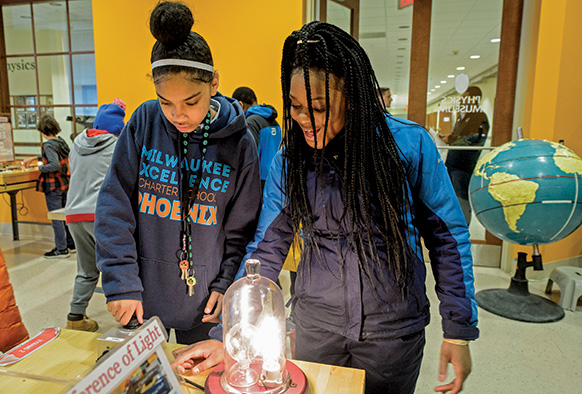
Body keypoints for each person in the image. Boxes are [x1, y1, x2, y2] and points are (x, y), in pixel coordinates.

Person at [173, 22, 478, 394]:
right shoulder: (290, 161)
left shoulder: (408, 146)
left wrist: (458, 332)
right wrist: (226, 336)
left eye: (317, 108)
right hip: (317, 328)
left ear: (353, 97)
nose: (303, 120)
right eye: (296, 107)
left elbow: (448, 238)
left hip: (392, 334)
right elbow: (265, 250)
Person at [94, 1, 261, 344]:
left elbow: (242, 229)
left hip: (206, 304)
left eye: (190, 101)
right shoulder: (144, 121)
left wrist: (226, 283)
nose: (177, 115)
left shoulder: (240, 142)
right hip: (140, 295)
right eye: (165, 102)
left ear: (214, 83)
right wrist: (120, 279)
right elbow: (114, 206)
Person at [64, 98, 126, 332]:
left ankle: (76, 316)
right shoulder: (115, 145)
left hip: (73, 214)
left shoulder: (77, 144)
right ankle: (126, 318)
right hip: (101, 214)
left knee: (86, 269)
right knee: (117, 266)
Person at [23, 114, 75, 258]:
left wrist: (38, 168)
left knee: (56, 217)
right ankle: (71, 244)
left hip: (53, 185)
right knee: (65, 215)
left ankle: (61, 248)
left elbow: (54, 164)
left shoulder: (47, 145)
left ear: (43, 131)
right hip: (65, 183)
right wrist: (36, 158)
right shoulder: (61, 142)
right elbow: (58, 158)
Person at [441, 86, 490, 225]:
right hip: (453, 164)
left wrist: (451, 140)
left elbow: (475, 139)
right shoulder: (462, 117)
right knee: (452, 199)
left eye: (465, 98)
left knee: (461, 199)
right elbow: (460, 136)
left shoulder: (479, 117)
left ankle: (461, 229)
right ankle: (451, 227)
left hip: (463, 166)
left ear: (474, 99)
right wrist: (450, 138)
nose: (461, 101)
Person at [232, 86, 282, 191]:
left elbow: (247, 153)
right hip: (276, 178)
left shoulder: (251, 122)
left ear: (241, 105)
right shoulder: (274, 121)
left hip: (257, 181)